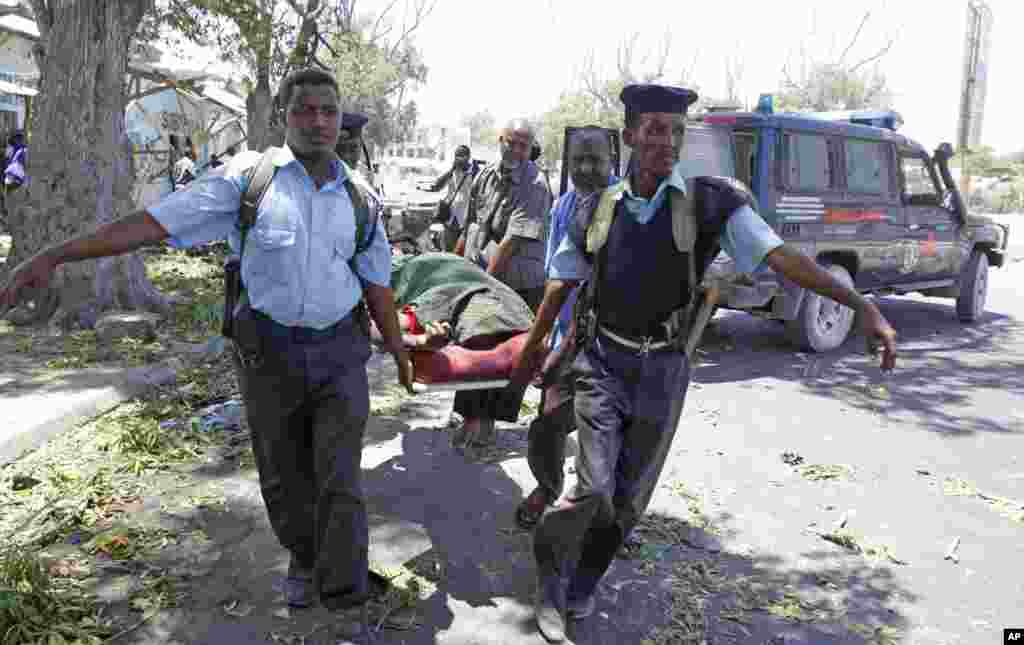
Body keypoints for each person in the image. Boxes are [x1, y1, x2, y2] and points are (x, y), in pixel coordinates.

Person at [0, 67, 414, 645]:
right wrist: (55, 254)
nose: (318, 121)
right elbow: (151, 224)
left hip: (341, 353)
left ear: (340, 116)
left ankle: (343, 593)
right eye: (305, 110)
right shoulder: (249, 180)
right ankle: (304, 558)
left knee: (339, 476)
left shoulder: (360, 198)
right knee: (284, 474)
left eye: (328, 110)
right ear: (285, 118)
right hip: (267, 354)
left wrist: (398, 350)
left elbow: (377, 285)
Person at [510, 84, 898, 643]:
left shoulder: (711, 203)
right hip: (601, 363)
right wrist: (532, 355)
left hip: (664, 373)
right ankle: (550, 583)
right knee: (590, 490)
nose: (666, 141)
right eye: (653, 129)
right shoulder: (595, 206)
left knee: (625, 505)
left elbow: (780, 256)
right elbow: (559, 284)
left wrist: (860, 305)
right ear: (630, 136)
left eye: (675, 130)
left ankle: (582, 585)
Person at [515, 127, 617, 530]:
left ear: (613, 160)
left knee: (603, 442)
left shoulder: (622, 206)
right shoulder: (564, 206)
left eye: (596, 159)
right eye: (579, 161)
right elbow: (554, 280)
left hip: (607, 345)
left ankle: (605, 520)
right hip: (566, 337)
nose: (587, 168)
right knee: (548, 424)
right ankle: (547, 485)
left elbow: (576, 287)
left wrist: (544, 350)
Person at [452, 118, 553, 451]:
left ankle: (486, 426)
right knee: (473, 348)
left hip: (516, 284)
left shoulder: (535, 184)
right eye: (511, 142)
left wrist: (482, 283)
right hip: (483, 276)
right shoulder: (484, 175)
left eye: (523, 145)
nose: (515, 150)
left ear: (530, 148)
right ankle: (470, 417)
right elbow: (469, 227)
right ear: (500, 140)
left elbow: (512, 241)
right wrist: (453, 269)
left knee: (505, 359)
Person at [424, 144, 475, 252]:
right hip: (450, 218)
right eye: (457, 155)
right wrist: (451, 169)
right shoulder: (452, 172)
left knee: (462, 251)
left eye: (462, 155)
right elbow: (437, 186)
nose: (459, 158)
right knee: (448, 251)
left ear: (468, 157)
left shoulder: (474, 172)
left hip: (466, 219)